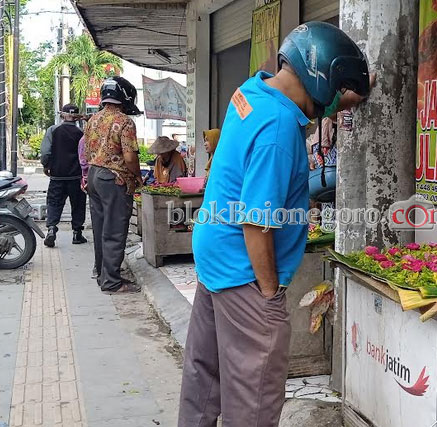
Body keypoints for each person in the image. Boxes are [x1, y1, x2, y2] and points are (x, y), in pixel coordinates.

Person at [179, 22, 372, 427]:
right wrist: (269, 295)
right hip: (243, 271)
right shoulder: (279, 129)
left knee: (205, 380)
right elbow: (257, 222)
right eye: (335, 93)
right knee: (254, 397)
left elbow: (305, 109)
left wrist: (349, 94)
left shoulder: (251, 92)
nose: (332, 105)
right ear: (322, 78)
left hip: (213, 257)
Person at [83, 76, 143, 294]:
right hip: (114, 178)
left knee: (100, 228)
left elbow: (87, 152)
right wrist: (137, 177)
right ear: (125, 97)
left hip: (94, 176)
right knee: (115, 229)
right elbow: (129, 157)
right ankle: (111, 282)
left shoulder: (93, 120)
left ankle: (101, 273)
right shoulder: (124, 121)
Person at [40, 104, 88, 248]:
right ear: (77, 117)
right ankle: (77, 234)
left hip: (57, 176)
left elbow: (45, 152)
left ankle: (52, 229)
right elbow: (86, 155)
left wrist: (46, 165)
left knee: (54, 203)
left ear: (62, 115)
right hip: (76, 176)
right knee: (78, 205)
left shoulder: (53, 130)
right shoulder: (81, 133)